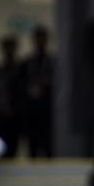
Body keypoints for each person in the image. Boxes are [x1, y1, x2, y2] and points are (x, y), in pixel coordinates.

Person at [20, 25, 55, 158]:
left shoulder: (52, 61)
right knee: (32, 140)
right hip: (31, 107)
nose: (40, 41)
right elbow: (21, 84)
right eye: (38, 38)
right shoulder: (28, 62)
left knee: (48, 139)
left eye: (43, 38)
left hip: (47, 106)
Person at [0, 35, 23, 158]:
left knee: (14, 143)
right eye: (6, 48)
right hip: (1, 114)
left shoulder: (21, 70)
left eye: (11, 48)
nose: (8, 51)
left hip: (16, 113)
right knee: (1, 143)